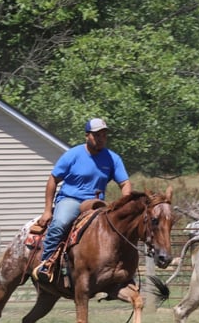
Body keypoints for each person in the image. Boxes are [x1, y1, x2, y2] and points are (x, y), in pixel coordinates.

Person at [34, 117, 131, 284]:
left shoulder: (112, 158)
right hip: (71, 199)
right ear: (87, 136)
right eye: (97, 135)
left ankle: (119, 270)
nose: (101, 138)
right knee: (59, 224)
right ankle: (46, 263)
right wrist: (48, 210)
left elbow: (125, 183)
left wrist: (125, 204)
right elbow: (53, 180)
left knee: (115, 230)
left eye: (104, 135)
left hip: (97, 203)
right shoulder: (73, 155)